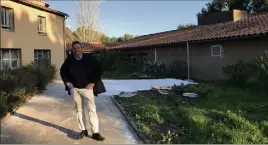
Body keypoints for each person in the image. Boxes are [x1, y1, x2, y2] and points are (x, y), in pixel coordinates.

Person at [60, 41, 105, 141]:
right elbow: (62, 71)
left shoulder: (90, 58)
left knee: (91, 110)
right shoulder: (69, 60)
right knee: (79, 110)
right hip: (75, 89)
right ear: (72, 49)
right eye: (75, 48)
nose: (77, 49)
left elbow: (99, 70)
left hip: (87, 89)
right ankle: (83, 130)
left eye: (78, 47)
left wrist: (93, 82)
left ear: (82, 48)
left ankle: (95, 133)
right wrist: (67, 82)